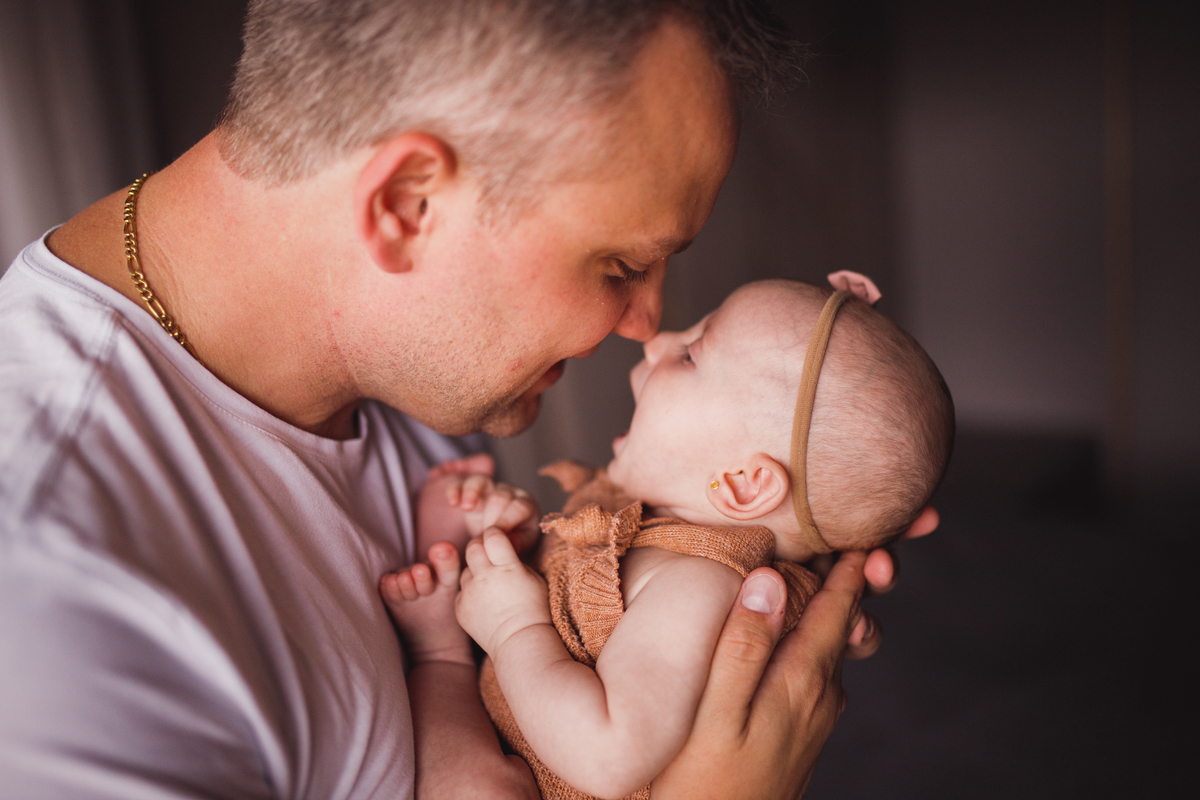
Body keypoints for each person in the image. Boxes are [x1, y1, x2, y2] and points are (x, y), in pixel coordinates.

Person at [0, 1, 936, 797]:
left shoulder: (389, 354)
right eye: (620, 264)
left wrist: (801, 545)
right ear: (407, 204)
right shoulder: (56, 599)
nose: (644, 326)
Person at [382, 277, 954, 799]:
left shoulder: (698, 584)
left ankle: (439, 659)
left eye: (689, 354)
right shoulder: (653, 519)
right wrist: (522, 540)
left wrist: (514, 628)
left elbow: (608, 757)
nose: (655, 342)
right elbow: (581, 596)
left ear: (742, 484)